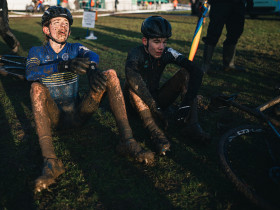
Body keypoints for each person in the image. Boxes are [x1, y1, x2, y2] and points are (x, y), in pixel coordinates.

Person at [26, 6, 154, 193]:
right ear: (46, 29)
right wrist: (63, 65)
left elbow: (92, 54)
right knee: (36, 88)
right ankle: (51, 162)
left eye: (66, 24)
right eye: (57, 23)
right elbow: (30, 73)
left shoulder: (75, 48)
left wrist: (93, 68)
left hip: (79, 112)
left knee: (110, 74)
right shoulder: (37, 51)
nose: (62, 27)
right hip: (55, 118)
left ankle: (127, 141)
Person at [123, 16, 210, 156]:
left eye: (164, 42)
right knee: (132, 82)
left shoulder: (167, 52)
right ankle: (155, 132)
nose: (161, 47)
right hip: (135, 106)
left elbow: (196, 71)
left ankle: (192, 125)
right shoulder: (135, 53)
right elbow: (131, 75)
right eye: (156, 42)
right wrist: (153, 106)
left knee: (185, 72)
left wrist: (187, 103)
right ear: (145, 41)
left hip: (157, 100)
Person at [201, 0, 254, 73]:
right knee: (213, 32)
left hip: (238, 4)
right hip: (220, 3)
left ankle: (228, 64)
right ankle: (205, 66)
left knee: (235, 33)